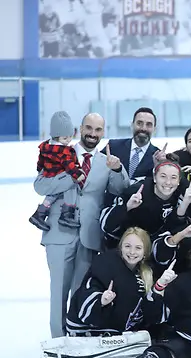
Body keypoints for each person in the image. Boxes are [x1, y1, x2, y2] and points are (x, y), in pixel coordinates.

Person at [34, 112, 130, 338]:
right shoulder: (61, 153)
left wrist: (117, 169)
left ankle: (75, 340)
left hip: (89, 236)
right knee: (59, 290)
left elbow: (120, 189)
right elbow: (40, 186)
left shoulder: (107, 160)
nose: (93, 134)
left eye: (98, 130)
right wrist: (71, 175)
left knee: (80, 291)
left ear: (103, 133)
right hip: (59, 233)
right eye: (89, 128)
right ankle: (57, 343)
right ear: (79, 129)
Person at [66, 227, 156, 335]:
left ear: (145, 251)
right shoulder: (106, 264)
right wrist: (101, 301)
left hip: (119, 331)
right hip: (89, 328)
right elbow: (87, 290)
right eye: (127, 246)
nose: (132, 252)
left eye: (138, 248)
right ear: (121, 247)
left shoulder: (146, 273)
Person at [100, 160, 189, 248]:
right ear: (154, 177)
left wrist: (185, 204)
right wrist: (126, 207)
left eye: (173, 177)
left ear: (179, 181)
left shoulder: (181, 196)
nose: (168, 182)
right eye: (163, 176)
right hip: (120, 246)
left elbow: (173, 230)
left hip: (151, 249)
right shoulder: (135, 191)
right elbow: (106, 225)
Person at [29, 111, 85, 231]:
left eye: (70, 136)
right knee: (71, 187)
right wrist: (77, 174)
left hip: (49, 175)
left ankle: (40, 213)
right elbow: (68, 165)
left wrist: (40, 170)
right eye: (65, 138)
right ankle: (66, 214)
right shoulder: (64, 151)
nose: (68, 140)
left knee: (52, 194)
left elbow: (41, 161)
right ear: (56, 136)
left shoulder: (45, 147)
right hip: (59, 174)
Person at [104, 107, 160, 182]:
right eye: (139, 123)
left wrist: (157, 167)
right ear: (132, 125)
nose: (143, 128)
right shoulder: (113, 147)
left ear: (154, 129)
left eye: (149, 125)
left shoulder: (158, 156)